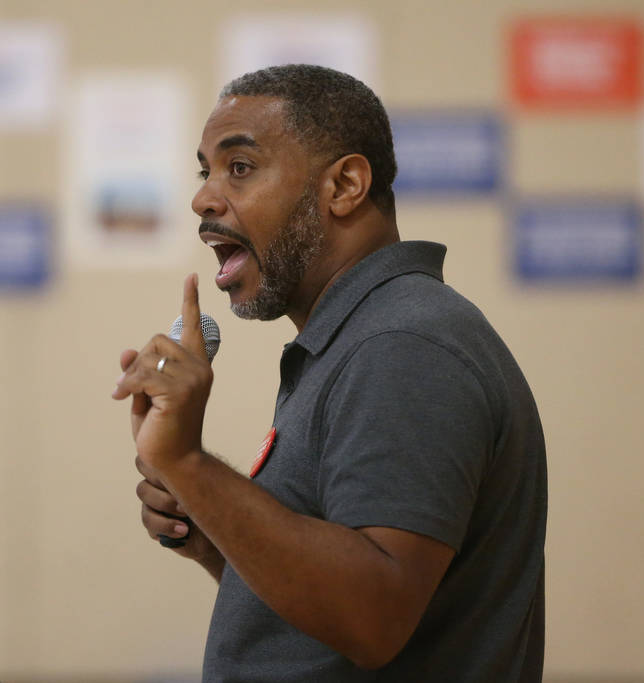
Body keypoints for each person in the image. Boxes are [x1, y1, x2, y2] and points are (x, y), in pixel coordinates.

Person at [112, 64, 547, 682]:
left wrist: (189, 464)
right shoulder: (359, 339)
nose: (203, 198)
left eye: (239, 168)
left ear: (344, 185)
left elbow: (373, 616)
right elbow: (325, 622)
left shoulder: (404, 345)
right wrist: (213, 526)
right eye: (205, 171)